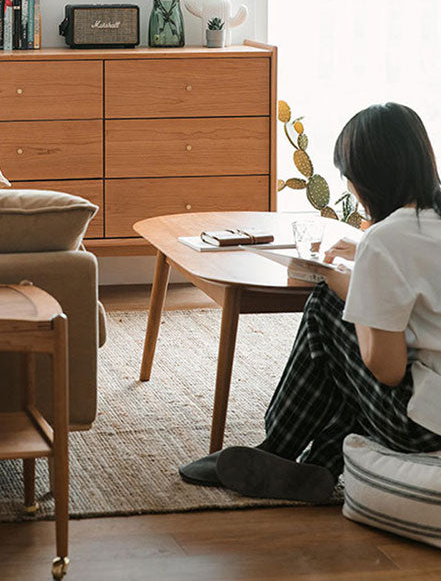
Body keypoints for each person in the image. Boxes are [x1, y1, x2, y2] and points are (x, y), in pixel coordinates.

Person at [179, 102, 441, 502]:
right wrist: (364, 260)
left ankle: (278, 446)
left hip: (421, 426)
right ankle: (320, 462)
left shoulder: (386, 240)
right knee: (342, 358)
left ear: (368, 177)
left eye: (349, 176)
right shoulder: (422, 224)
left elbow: (386, 370)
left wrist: (344, 284)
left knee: (324, 306)